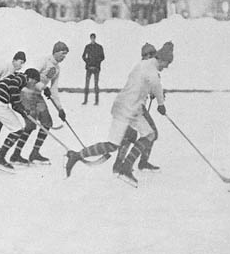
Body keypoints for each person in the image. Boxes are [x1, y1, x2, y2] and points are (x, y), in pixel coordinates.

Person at [65, 41, 173, 187]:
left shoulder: (143, 66)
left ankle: (82, 157)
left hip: (127, 107)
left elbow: (148, 84)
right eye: (167, 63)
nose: (167, 67)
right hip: (129, 108)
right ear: (161, 59)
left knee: (130, 140)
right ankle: (123, 167)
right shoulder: (151, 69)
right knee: (138, 138)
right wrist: (161, 104)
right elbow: (156, 85)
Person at [8, 41, 69, 165]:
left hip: (37, 96)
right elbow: (30, 75)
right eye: (62, 54)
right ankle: (16, 155)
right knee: (30, 125)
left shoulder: (57, 69)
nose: (64, 57)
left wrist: (60, 109)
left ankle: (34, 153)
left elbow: (53, 89)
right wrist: (42, 86)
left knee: (47, 122)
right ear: (56, 52)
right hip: (26, 93)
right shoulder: (44, 61)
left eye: (65, 55)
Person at [112, 42, 161, 173]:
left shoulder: (142, 68)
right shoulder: (145, 69)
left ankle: (119, 164)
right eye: (147, 55)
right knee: (150, 133)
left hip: (129, 105)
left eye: (152, 55)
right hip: (134, 106)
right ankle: (136, 163)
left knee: (130, 135)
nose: (150, 57)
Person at [82, 32, 105, 105]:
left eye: (93, 38)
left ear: (95, 38)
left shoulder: (99, 47)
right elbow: (83, 56)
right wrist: (88, 63)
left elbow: (102, 57)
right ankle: (85, 100)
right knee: (87, 84)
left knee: (96, 84)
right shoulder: (87, 47)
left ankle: (96, 101)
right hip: (89, 68)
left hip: (96, 68)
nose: (92, 39)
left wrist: (97, 63)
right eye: (91, 38)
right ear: (90, 38)